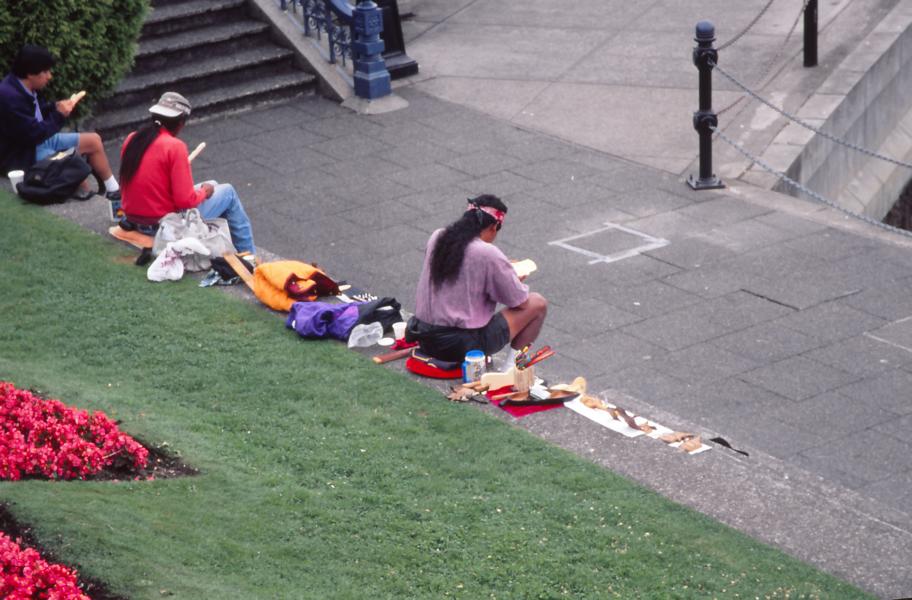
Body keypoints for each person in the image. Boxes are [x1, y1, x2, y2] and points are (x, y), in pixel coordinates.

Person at [406, 194, 547, 363]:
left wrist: (501, 267)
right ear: (494, 227)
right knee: (537, 303)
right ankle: (512, 368)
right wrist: (513, 278)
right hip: (459, 346)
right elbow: (519, 302)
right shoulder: (488, 253)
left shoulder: (438, 236)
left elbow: (463, 270)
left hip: (422, 336)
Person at [118, 91, 256, 256]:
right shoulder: (174, 146)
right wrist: (205, 192)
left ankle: (225, 244)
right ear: (181, 122)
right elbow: (185, 201)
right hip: (164, 225)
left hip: (133, 218)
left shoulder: (133, 138)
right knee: (228, 192)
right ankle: (249, 258)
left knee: (213, 182)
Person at [0, 44, 120, 205]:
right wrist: (59, 115)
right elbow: (33, 134)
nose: (49, 76)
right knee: (73, 168)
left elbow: (36, 112)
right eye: (45, 72)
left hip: (37, 142)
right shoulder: (9, 96)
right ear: (30, 73)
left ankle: (114, 191)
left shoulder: (23, 85)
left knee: (93, 140)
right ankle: (93, 203)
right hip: (22, 155)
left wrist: (54, 107)